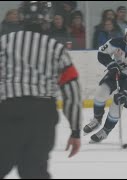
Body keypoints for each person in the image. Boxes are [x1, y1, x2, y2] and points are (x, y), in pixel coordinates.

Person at [0, 1, 83, 179]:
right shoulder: (57, 49)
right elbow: (72, 92)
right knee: (34, 172)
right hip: (43, 115)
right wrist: (75, 130)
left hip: (10, 111)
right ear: (46, 18)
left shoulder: (4, 43)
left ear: (22, 18)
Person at [83, 23, 127, 143]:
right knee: (100, 93)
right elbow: (102, 53)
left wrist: (125, 93)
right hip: (117, 71)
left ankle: (105, 131)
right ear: (126, 37)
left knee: (117, 104)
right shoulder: (116, 42)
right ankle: (97, 120)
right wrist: (111, 64)